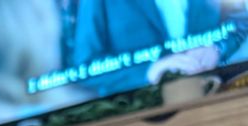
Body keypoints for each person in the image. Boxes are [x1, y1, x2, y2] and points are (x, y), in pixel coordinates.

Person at [73, 0, 248, 95]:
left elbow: (240, 21)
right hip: (137, 121)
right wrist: (149, 72)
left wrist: (218, 48)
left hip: (222, 99)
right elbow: (85, 67)